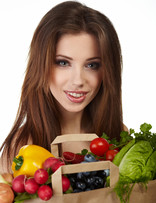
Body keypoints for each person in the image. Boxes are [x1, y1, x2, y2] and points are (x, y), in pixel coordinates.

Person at [0, 1, 127, 174]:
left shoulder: (119, 135)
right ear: (41, 66)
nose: (78, 80)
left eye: (92, 65)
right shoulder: (20, 148)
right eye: (63, 62)